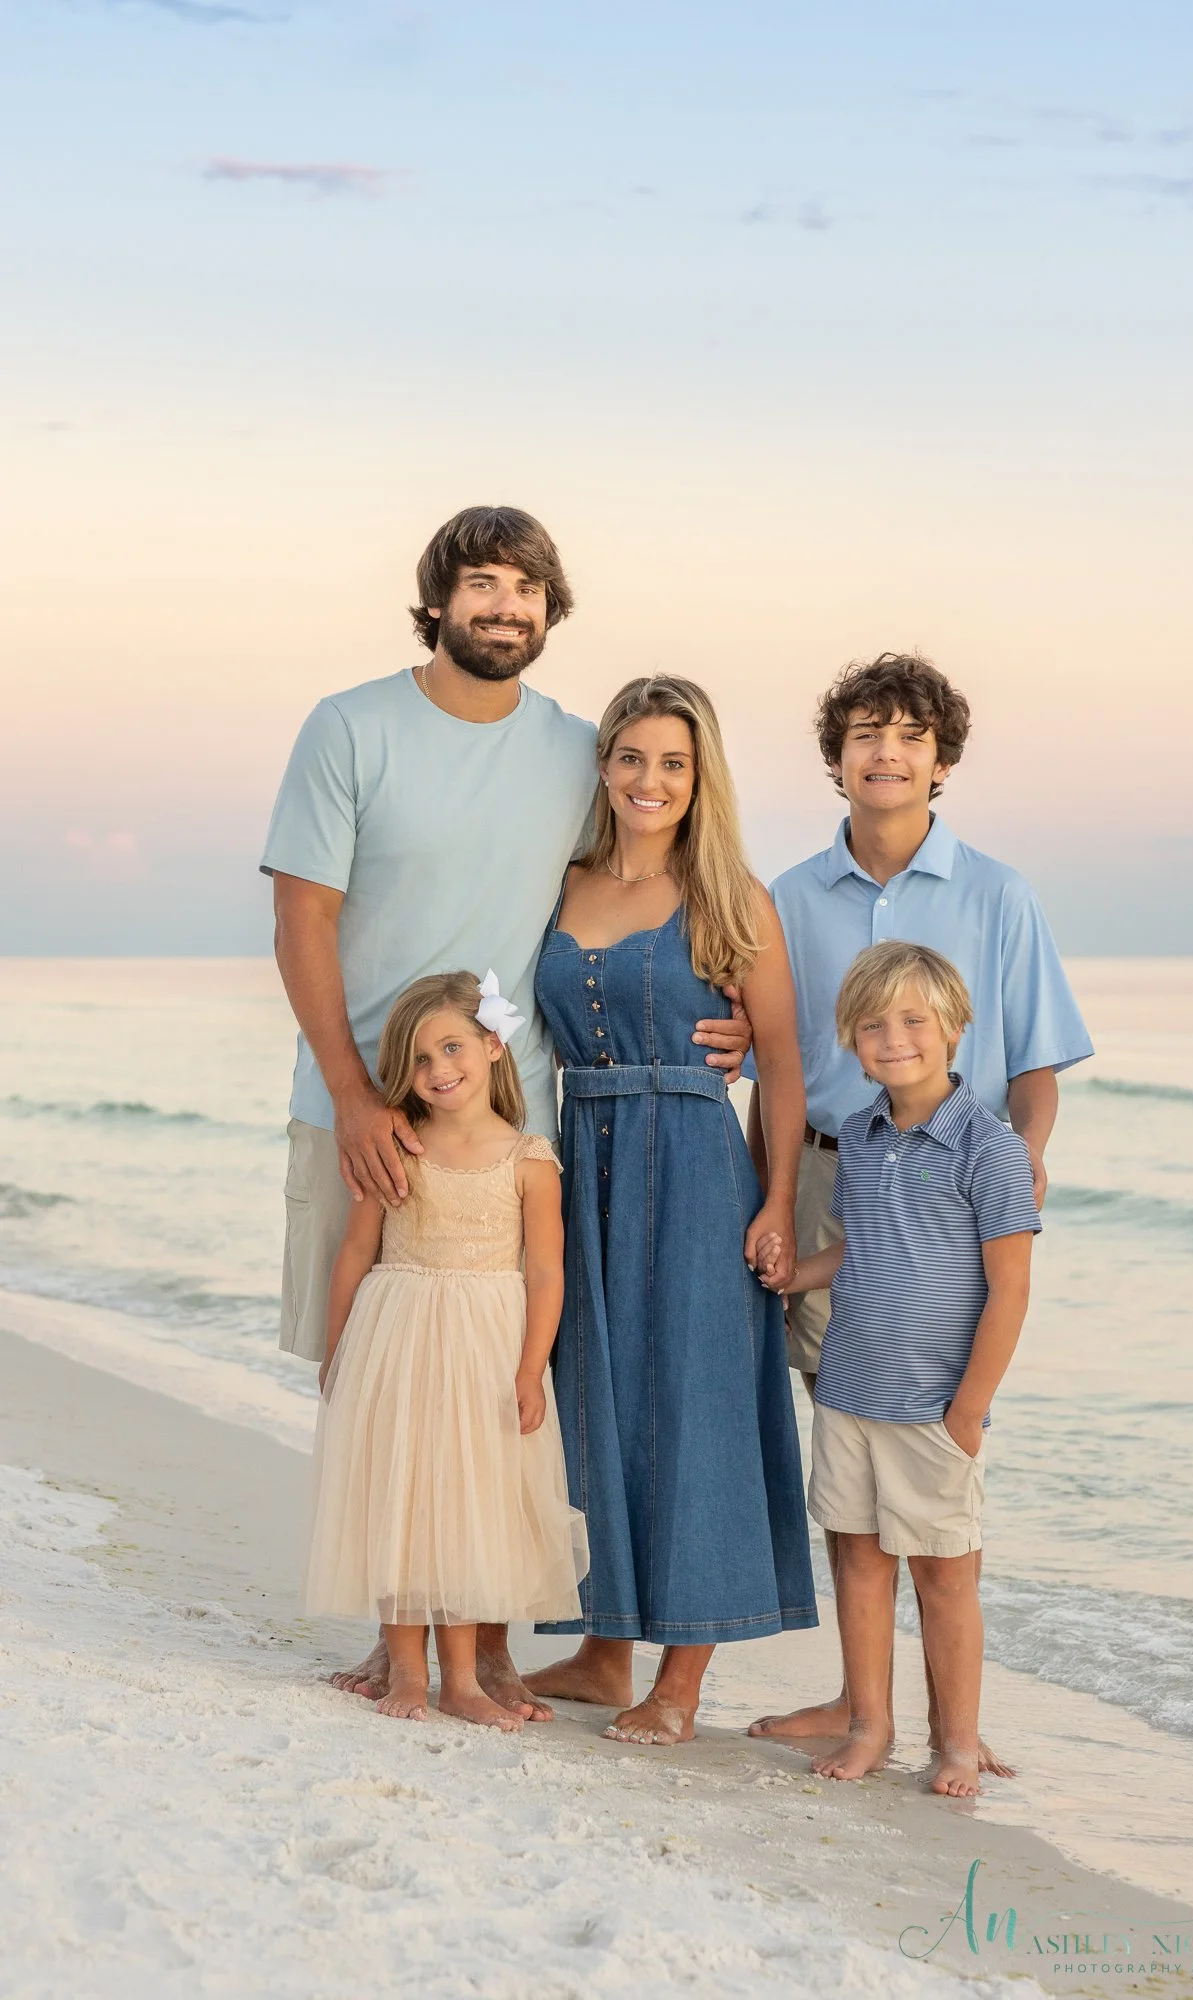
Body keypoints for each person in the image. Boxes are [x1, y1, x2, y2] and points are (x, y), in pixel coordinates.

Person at [262, 506, 751, 1713]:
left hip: (512, 1124)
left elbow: (650, 868)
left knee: (491, 1386)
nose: (503, 606)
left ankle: (476, 1644)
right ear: (437, 599)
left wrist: (728, 1007)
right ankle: (396, 1630)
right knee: (375, 1367)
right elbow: (302, 916)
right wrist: (350, 1093)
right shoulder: (349, 726)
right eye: (481, 582)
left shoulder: (578, 750)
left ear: (549, 607)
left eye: (525, 587)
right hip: (363, 1108)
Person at [748, 652, 1091, 1756]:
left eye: (908, 734)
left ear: (941, 760)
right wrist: (773, 1202)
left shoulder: (998, 892)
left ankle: (953, 1721)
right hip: (826, 1172)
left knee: (938, 1439)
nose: (885, 752)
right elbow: (772, 1066)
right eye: (864, 733)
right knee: (847, 1446)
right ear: (836, 758)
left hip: (952, 1185)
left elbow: (1034, 1061)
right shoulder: (786, 897)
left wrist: (1021, 1157)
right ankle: (864, 1705)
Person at [521, 676, 817, 1746]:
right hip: (580, 1160)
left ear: (701, 777)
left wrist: (777, 1202)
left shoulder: (732, 895)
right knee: (591, 1395)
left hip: (694, 1165)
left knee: (698, 1402)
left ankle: (680, 1681)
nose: (650, 780)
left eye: (673, 762)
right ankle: (603, 1651)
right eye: (632, 757)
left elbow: (782, 1066)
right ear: (603, 765)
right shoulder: (556, 882)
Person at [757, 941, 1039, 1794]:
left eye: (914, 1021)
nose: (894, 1039)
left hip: (932, 1406)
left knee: (944, 1578)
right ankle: (869, 1725)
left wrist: (970, 1409)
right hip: (848, 1391)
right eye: (874, 1025)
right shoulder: (859, 1134)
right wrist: (792, 1276)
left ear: (953, 1028)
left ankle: (957, 1742)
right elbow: (857, 1249)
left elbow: (1010, 1290)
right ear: (851, 1038)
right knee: (857, 1563)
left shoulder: (990, 1150)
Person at [303, 970, 588, 1728]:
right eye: (421, 1059)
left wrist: (531, 1369)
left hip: (486, 1349)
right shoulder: (399, 1148)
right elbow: (355, 1252)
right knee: (400, 1498)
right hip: (396, 1338)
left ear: (494, 1045)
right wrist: (337, 1352)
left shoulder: (529, 1158)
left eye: (452, 1047)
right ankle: (406, 1672)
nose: (437, 1069)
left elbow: (547, 1272)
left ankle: (462, 1681)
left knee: (468, 1505)